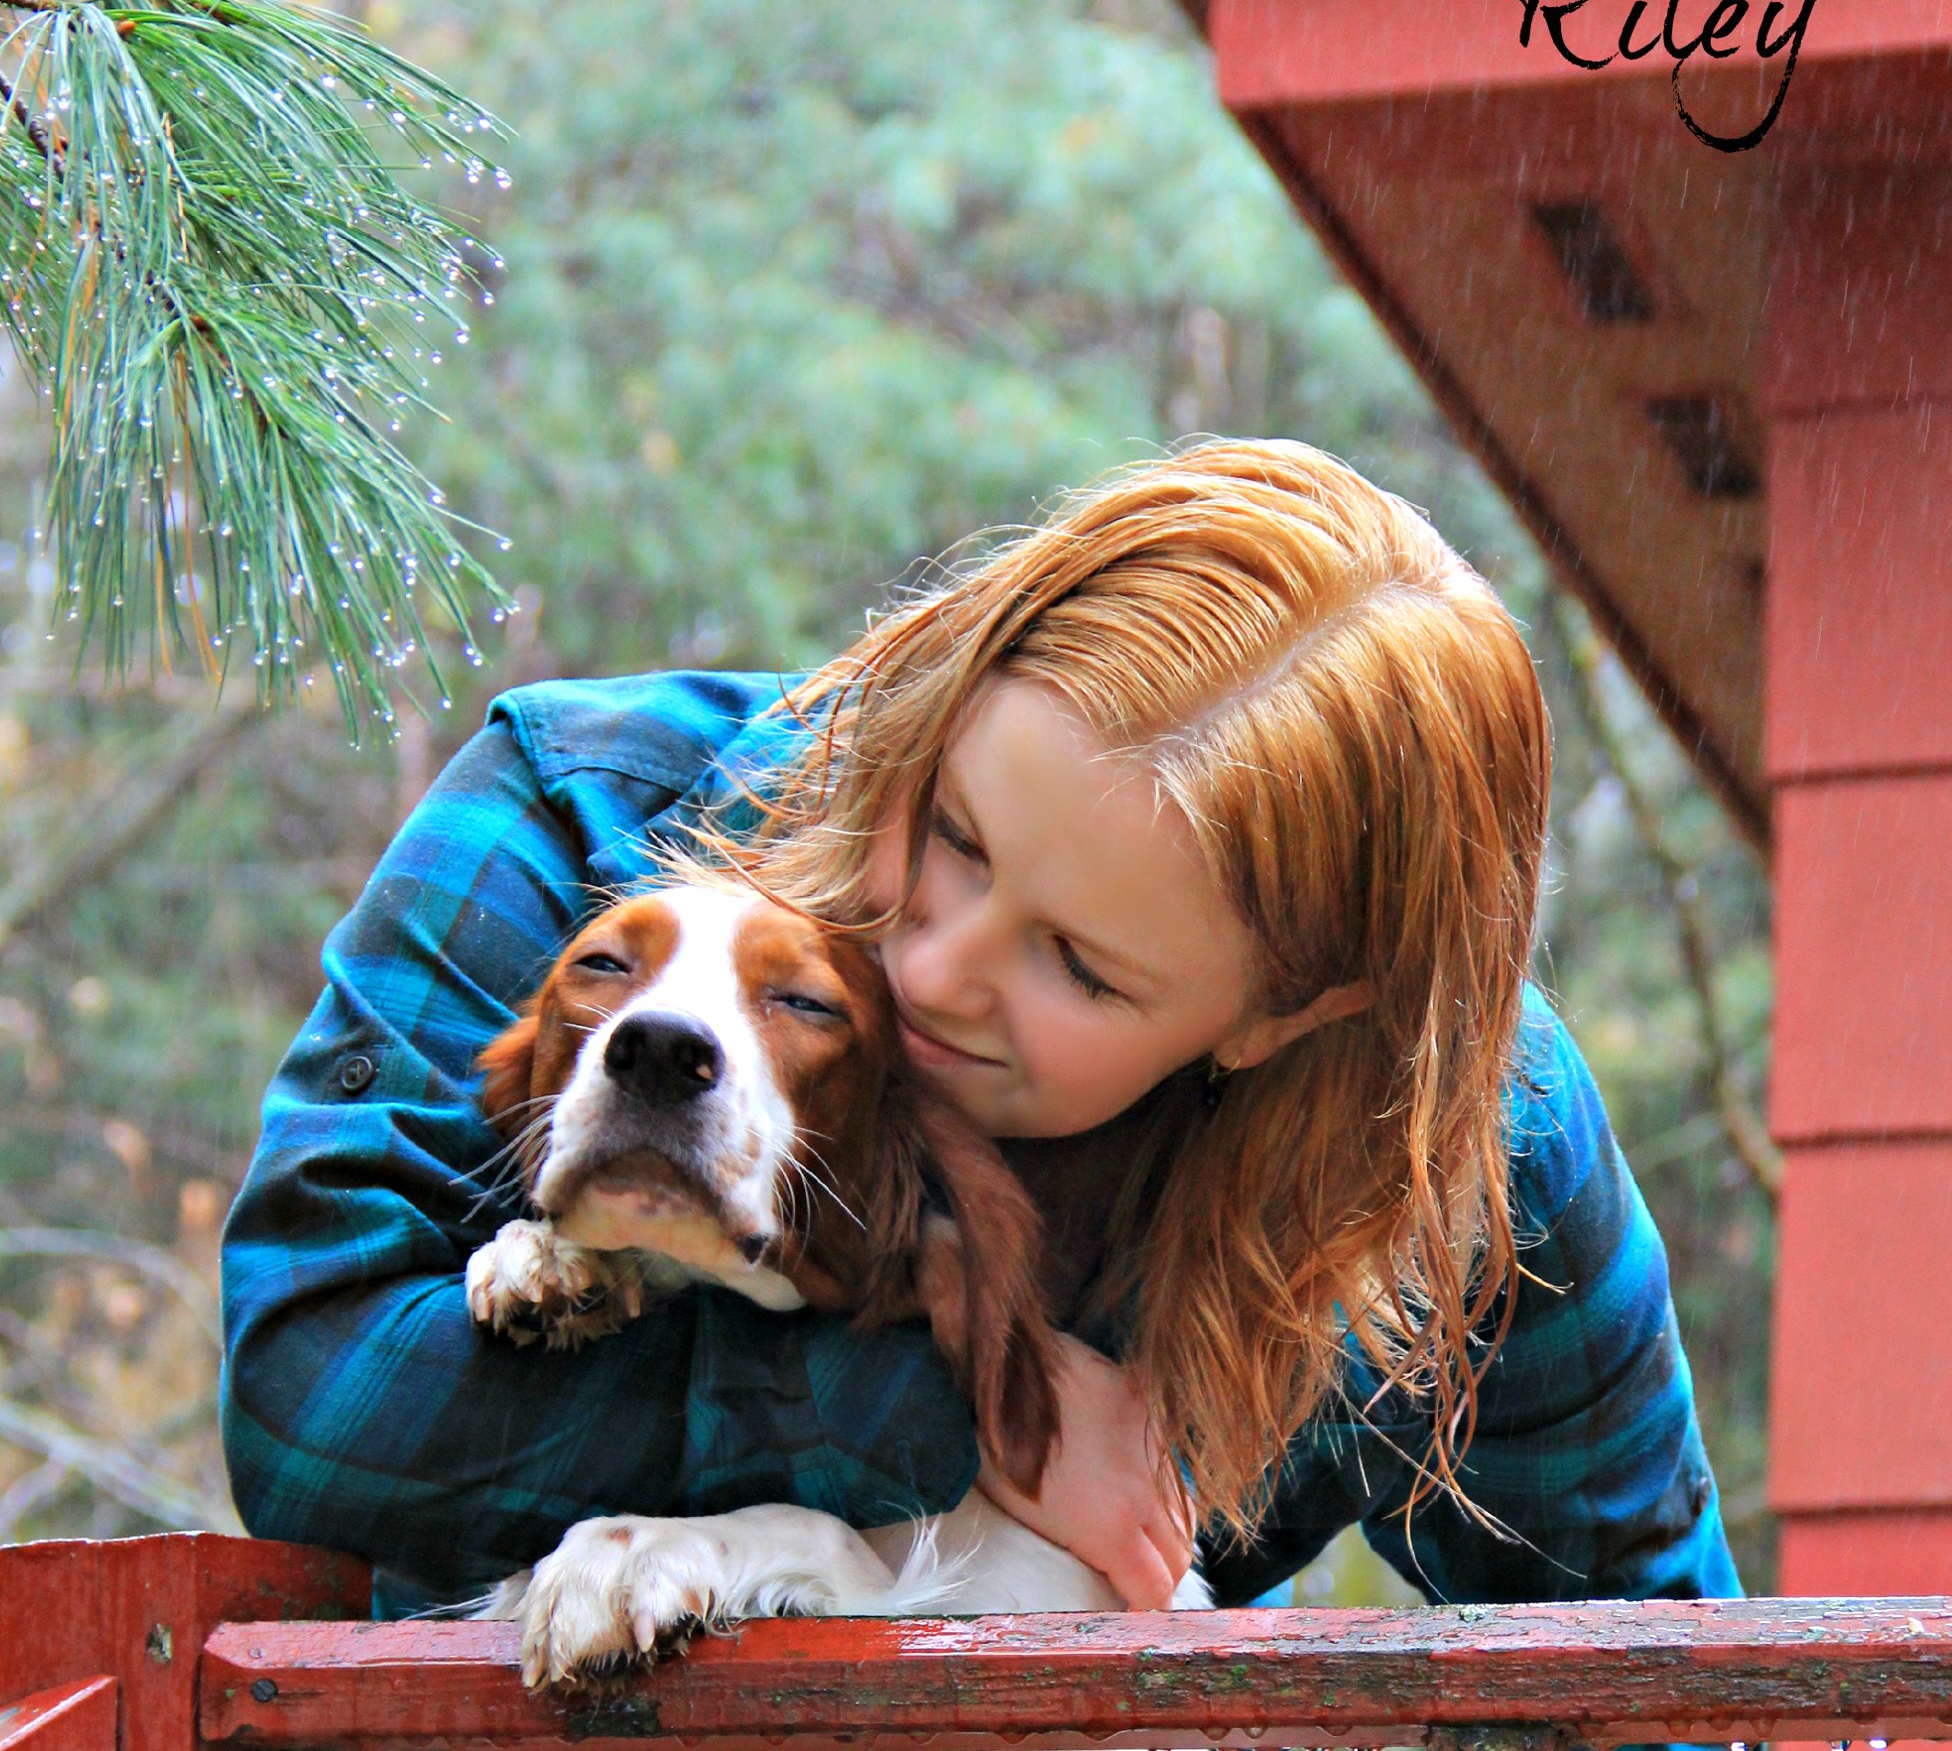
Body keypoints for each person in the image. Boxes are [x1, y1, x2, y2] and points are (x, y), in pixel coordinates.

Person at [221, 438, 1740, 1618]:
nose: (938, 967)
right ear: (951, 680)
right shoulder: (577, 819)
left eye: (1079, 966)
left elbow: (1660, 1672)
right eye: (953, 829)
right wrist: (961, 1415)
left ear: (1289, 1013)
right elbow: (317, 1404)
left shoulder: (1451, 1150)